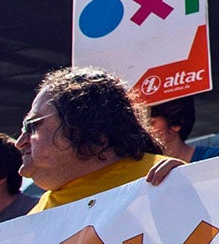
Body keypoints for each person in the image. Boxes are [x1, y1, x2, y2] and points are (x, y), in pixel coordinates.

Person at [16, 68, 181, 212]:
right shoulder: (34, 220)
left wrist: (198, 185)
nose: (20, 141)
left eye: (32, 125)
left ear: (88, 127)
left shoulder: (170, 180)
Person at [145, 96, 219, 164]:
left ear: (175, 124)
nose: (143, 129)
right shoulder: (140, 165)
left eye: (150, 123)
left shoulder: (214, 157)